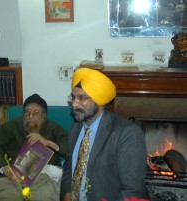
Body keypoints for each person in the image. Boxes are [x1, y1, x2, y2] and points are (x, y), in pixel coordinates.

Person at [60, 68, 149, 201]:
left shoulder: (128, 133)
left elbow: (132, 189)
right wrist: (66, 193)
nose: (74, 104)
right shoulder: (75, 130)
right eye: (73, 97)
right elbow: (69, 165)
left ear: (99, 101)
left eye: (82, 98)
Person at [0, 94, 68, 201]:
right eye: (27, 111)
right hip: (15, 177)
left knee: (44, 196)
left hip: (44, 177)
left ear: (44, 116)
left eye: (36, 112)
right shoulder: (11, 127)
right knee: (2, 196)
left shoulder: (54, 128)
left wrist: (48, 143)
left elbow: (69, 149)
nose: (31, 115)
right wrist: (4, 168)